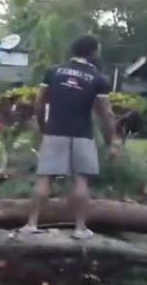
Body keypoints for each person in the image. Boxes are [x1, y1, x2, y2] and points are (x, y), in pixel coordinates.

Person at [20, 35, 121, 239]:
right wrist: (112, 141)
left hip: (55, 131)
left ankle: (31, 224)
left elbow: (39, 102)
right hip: (83, 134)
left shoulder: (53, 72)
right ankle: (80, 228)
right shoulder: (98, 78)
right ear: (93, 52)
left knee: (45, 178)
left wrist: (43, 126)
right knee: (81, 180)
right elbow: (106, 114)